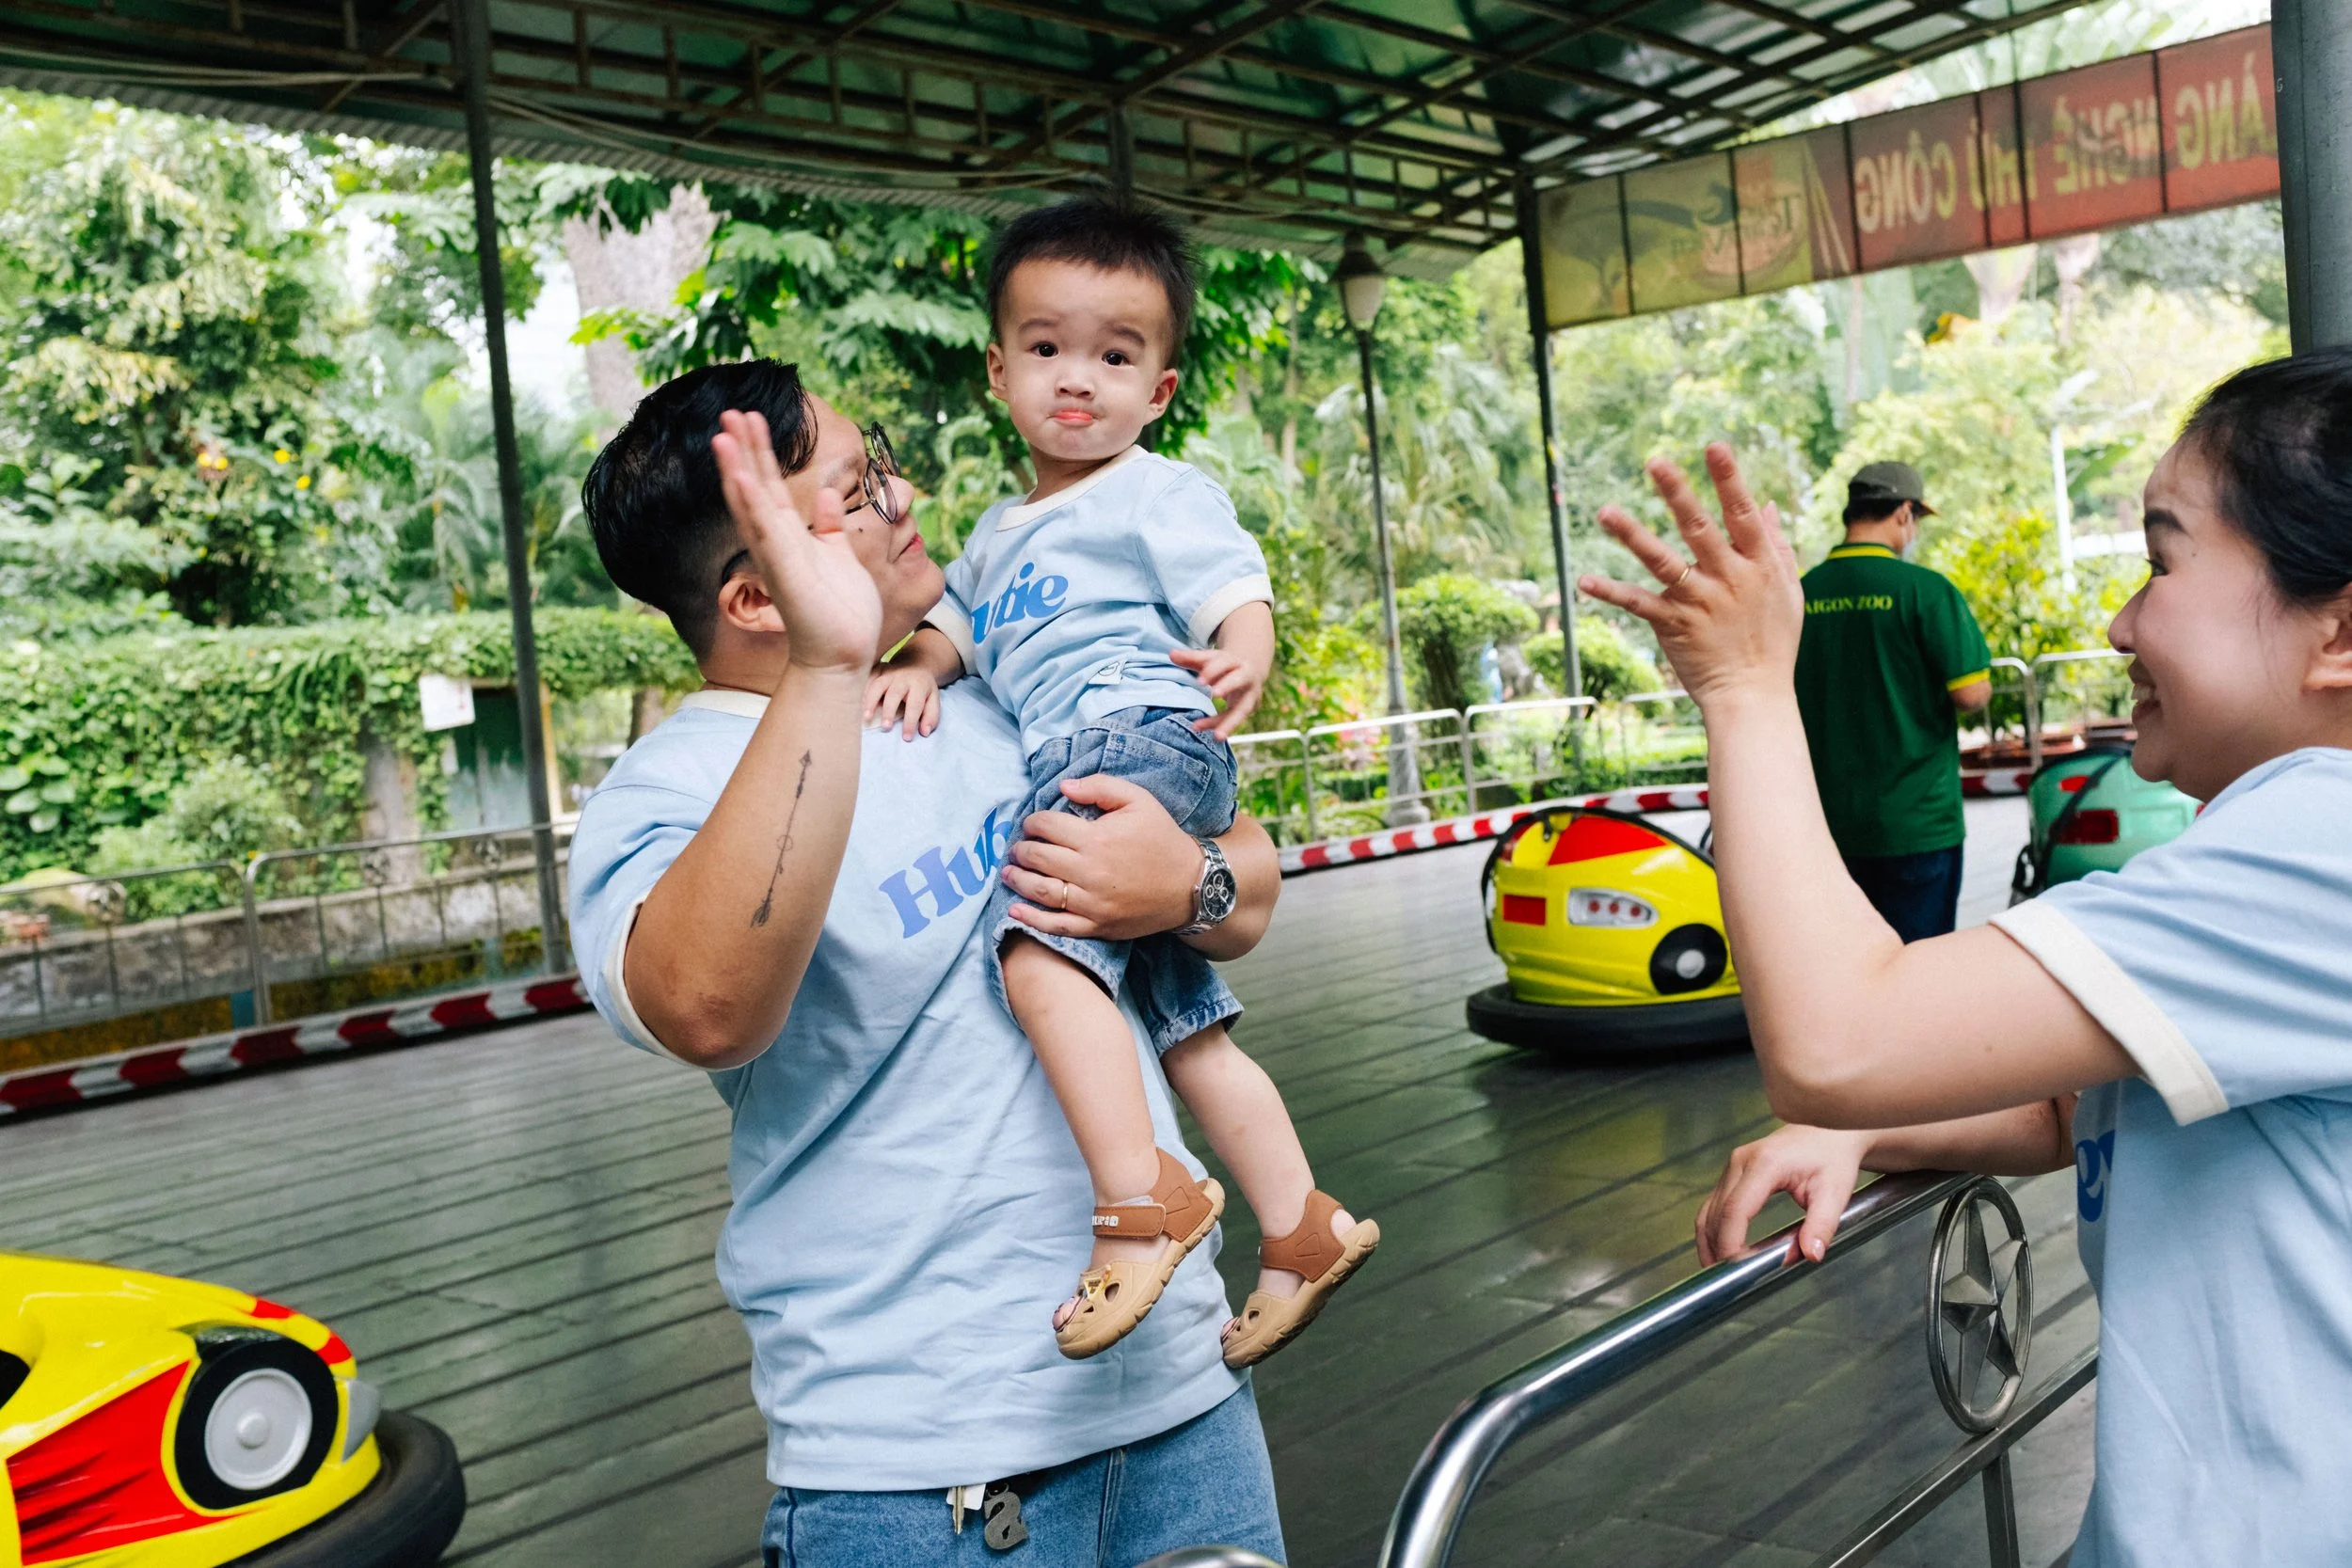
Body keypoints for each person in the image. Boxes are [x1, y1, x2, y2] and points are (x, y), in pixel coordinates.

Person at [1580, 350, 2352, 1567]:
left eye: (2161, 561)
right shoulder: (2290, 841)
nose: (2121, 619)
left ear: (2340, 629)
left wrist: (1739, 683)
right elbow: (2075, 1088)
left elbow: (1837, 1037)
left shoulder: (2326, 842)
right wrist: (1876, 1121)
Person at [567, 360, 1289, 1565]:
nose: (903, 502)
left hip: (1186, 1399)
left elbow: (1243, 878)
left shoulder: (984, 691)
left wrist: (1186, 885)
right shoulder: (667, 791)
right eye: (856, 492)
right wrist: (827, 667)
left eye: (882, 465)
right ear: (754, 598)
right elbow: (705, 1006)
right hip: (926, 1470)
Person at [867, 198, 1375, 1366]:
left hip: (1134, 730)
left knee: (1036, 950)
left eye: (1116, 354)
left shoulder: (1154, 489)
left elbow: (1228, 579)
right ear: (998, 370)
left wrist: (1244, 647)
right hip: (1093, 749)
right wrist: (920, 662)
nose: (1076, 379)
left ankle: (1145, 1204)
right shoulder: (998, 531)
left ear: (1160, 388)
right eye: (1046, 349)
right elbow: (961, 625)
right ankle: (1302, 1221)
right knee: (1182, 1028)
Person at [1792, 461, 1991, 941]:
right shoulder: (1925, 592)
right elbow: (1971, 693)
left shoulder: (1799, 595)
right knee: (1918, 968)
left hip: (1828, 826)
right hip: (1917, 823)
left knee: (1843, 962)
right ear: (1904, 513)